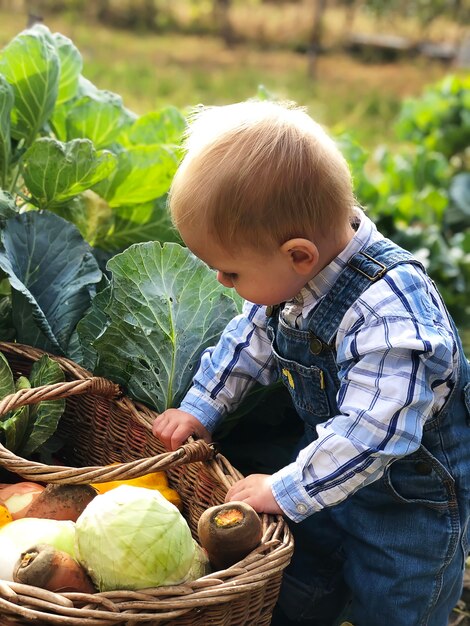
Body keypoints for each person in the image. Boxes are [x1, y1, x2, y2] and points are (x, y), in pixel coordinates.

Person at [152, 99, 470, 626]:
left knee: (397, 605)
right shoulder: (294, 273)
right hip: (325, 468)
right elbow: (250, 336)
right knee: (304, 579)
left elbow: (375, 434)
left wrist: (283, 488)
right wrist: (201, 407)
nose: (221, 284)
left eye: (230, 273)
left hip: (410, 503)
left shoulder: (393, 318)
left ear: (298, 255)